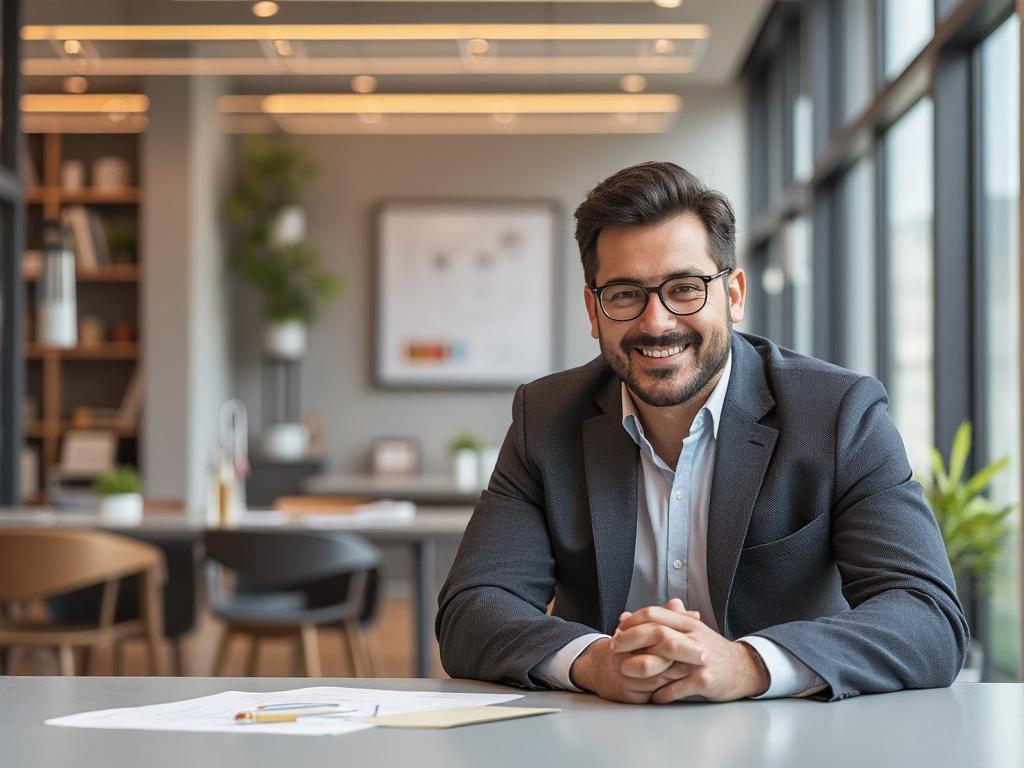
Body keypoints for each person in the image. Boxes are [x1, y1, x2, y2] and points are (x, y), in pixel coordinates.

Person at [435, 162, 968, 703]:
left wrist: (748, 664)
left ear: (733, 295)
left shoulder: (836, 413)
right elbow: (471, 610)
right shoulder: (546, 416)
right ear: (593, 312)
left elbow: (928, 617)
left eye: (685, 288)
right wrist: (596, 662)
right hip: (599, 737)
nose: (656, 322)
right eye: (623, 294)